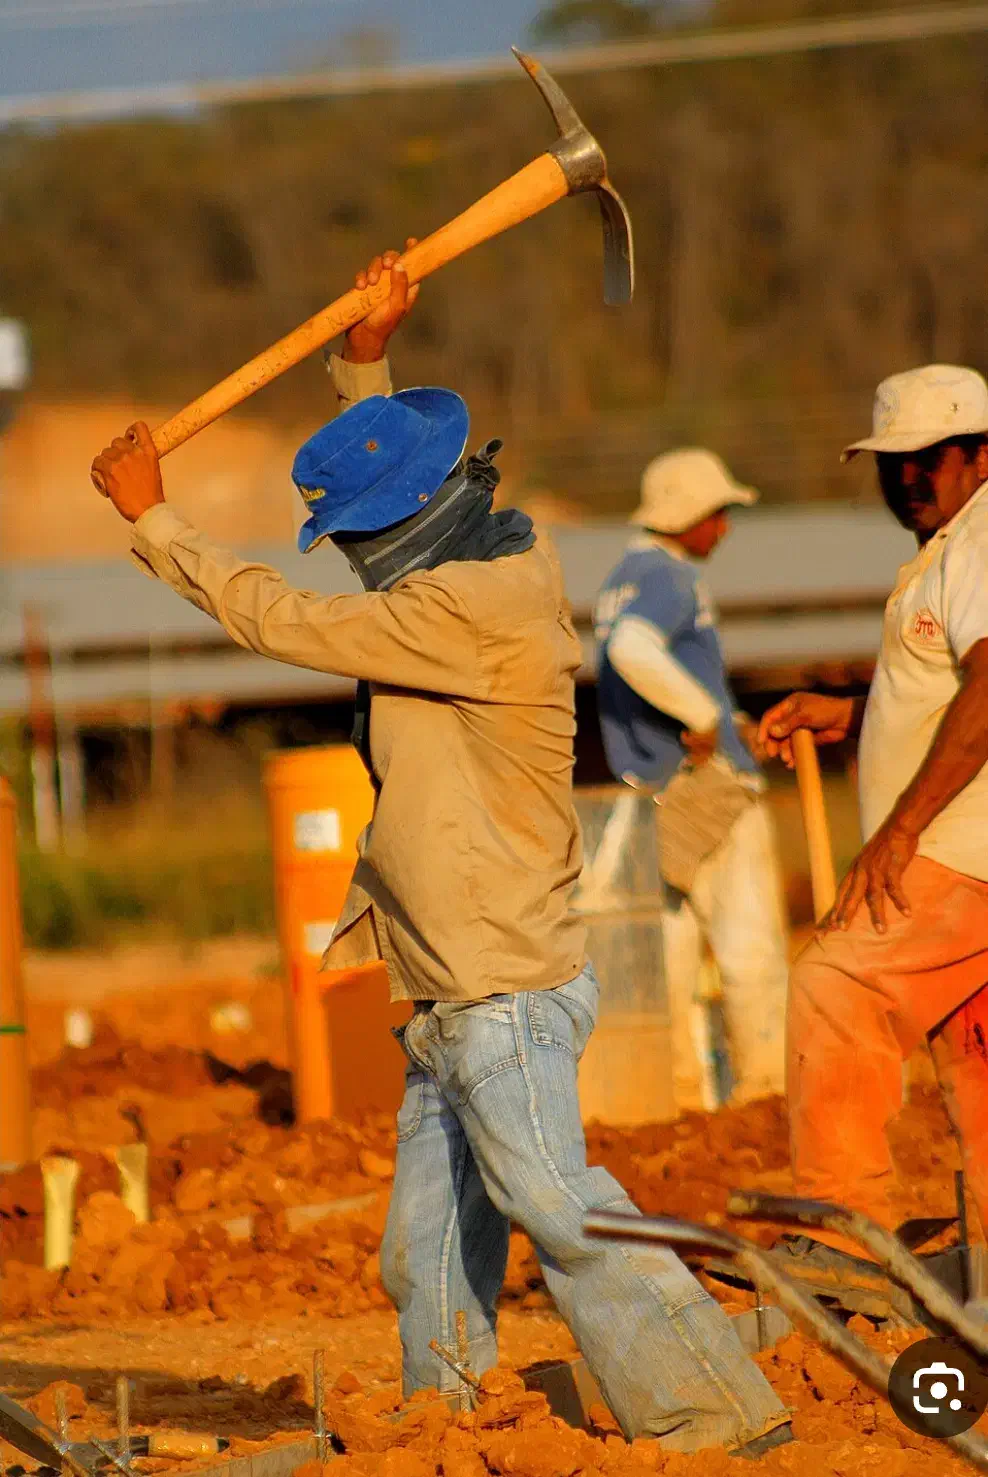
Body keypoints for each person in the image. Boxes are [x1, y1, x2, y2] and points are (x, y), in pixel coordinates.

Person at [92, 250, 789, 1457]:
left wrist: (157, 520)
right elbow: (393, 492)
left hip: (499, 979)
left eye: (362, 537)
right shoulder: (484, 557)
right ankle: (442, 1420)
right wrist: (368, 363)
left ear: (406, 536)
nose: (357, 553)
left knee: (561, 1209)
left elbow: (281, 616)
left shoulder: (459, 613)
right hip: (453, 977)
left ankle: (722, 1417)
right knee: (424, 1246)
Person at [758, 364, 988, 1283]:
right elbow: (941, 697)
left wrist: (898, 831)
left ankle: (842, 1230)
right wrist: (845, 710)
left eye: (926, 459)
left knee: (834, 984)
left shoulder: (982, 537)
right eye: (891, 463)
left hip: (957, 853)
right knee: (975, 1066)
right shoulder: (949, 548)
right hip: (963, 851)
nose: (905, 478)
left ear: (978, 455)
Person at [594, 450, 788, 1109]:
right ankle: (765, 1093)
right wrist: (705, 717)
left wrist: (728, 717)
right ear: (688, 517)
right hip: (708, 794)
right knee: (750, 951)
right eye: (719, 514)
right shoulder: (669, 577)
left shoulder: (620, 576)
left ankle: (683, 1104)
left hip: (652, 797)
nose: (725, 530)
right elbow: (632, 650)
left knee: (670, 965)